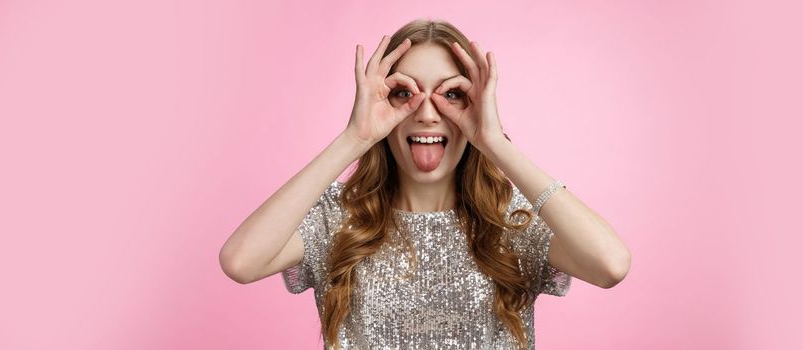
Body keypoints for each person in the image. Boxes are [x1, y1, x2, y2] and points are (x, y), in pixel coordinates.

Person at [219, 18, 631, 350]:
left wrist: (494, 142)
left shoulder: (514, 222)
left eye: (452, 95)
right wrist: (354, 139)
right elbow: (240, 261)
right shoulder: (339, 218)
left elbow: (611, 265)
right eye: (404, 93)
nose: (428, 114)